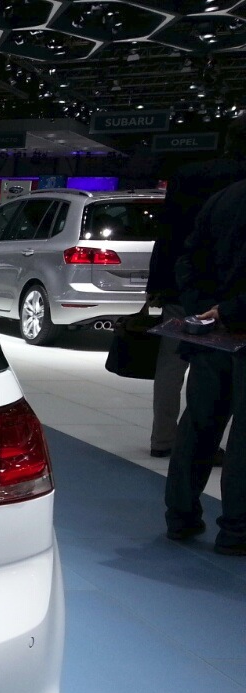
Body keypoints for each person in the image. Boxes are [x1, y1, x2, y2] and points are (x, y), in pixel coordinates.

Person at [145, 117, 246, 458]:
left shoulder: (190, 174)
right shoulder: (238, 184)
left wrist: (157, 283)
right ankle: (218, 447)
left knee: (171, 366)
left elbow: (169, 233)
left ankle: (164, 438)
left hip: (184, 289)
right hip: (233, 299)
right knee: (228, 378)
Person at [164, 176, 246, 555]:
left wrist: (202, 310)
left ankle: (180, 516)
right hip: (238, 328)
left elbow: (187, 259)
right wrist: (228, 311)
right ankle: (237, 531)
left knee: (197, 426)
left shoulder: (221, 197)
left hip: (213, 335)